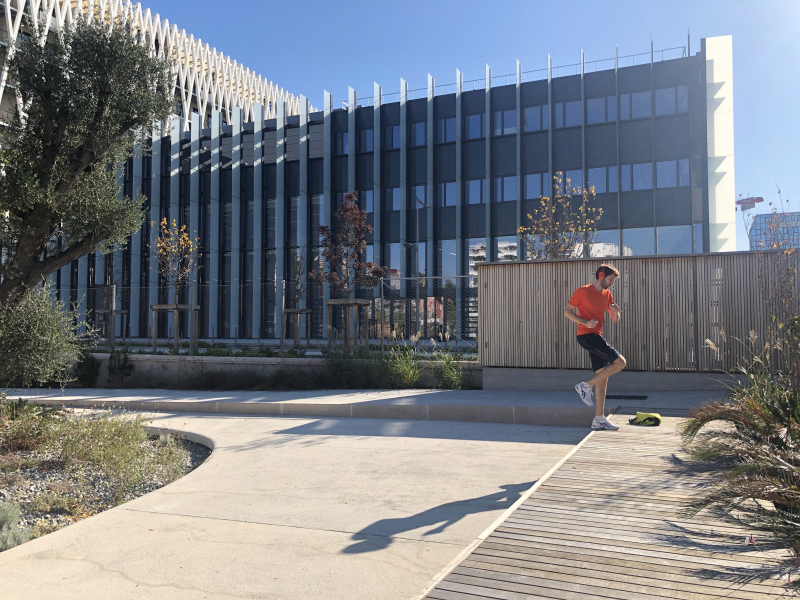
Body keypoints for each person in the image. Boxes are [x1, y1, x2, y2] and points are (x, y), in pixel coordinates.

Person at [563, 264, 626, 430]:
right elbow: (567, 311)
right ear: (601, 275)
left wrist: (614, 311)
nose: (612, 282)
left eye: (613, 280)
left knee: (602, 376)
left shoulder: (607, 294)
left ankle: (599, 418)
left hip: (596, 336)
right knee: (620, 363)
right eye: (610, 279)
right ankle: (585, 386)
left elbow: (615, 319)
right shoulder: (583, 291)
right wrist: (584, 322)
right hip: (586, 335)